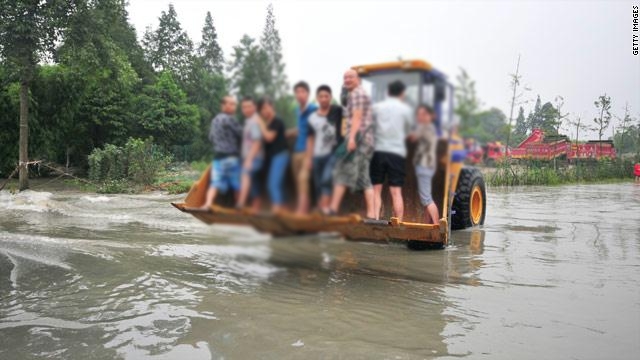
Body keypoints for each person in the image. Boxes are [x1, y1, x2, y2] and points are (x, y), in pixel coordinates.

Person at [328, 69, 375, 218]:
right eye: (345, 77)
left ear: (358, 80)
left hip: (360, 140)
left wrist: (352, 138)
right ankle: (333, 210)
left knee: (353, 175)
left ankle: (371, 215)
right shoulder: (354, 94)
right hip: (361, 140)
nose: (347, 80)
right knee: (353, 175)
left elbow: (357, 117)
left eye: (351, 77)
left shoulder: (357, 94)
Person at [370, 80, 413, 220]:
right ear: (402, 93)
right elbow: (410, 132)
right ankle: (398, 224)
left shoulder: (376, 107)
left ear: (388, 92)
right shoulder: (406, 110)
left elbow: (369, 127)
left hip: (379, 151)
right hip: (396, 153)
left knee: (376, 191)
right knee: (396, 191)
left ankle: (375, 220)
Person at [201, 96, 242, 209]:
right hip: (231, 157)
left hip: (218, 157)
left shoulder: (215, 121)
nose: (234, 107)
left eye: (234, 104)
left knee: (215, 183)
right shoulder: (230, 119)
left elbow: (211, 138)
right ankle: (239, 206)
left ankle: (208, 204)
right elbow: (241, 134)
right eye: (232, 104)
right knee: (236, 185)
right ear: (224, 105)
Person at [307, 85, 343, 213]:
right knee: (317, 184)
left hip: (333, 152)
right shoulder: (312, 117)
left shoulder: (337, 111)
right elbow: (310, 138)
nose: (323, 99)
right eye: (321, 96)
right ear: (317, 98)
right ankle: (321, 211)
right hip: (317, 154)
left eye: (326, 96)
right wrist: (309, 158)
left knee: (326, 180)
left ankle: (326, 209)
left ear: (331, 97)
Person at [256, 97, 290, 213]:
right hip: (273, 157)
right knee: (279, 184)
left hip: (280, 155)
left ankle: (276, 211)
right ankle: (284, 211)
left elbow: (269, 138)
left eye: (266, 107)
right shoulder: (269, 123)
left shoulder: (277, 121)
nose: (263, 111)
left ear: (272, 107)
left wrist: (260, 123)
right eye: (261, 109)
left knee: (273, 184)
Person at [290, 81, 318, 215]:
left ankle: (301, 211)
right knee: (298, 182)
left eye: (303, 92)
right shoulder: (297, 110)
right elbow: (301, 128)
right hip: (296, 151)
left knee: (303, 179)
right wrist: (289, 132)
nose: (300, 95)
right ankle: (304, 209)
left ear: (308, 93)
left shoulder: (313, 109)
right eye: (297, 92)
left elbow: (315, 133)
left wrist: (310, 156)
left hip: (308, 151)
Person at [411, 104, 439, 224]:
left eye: (423, 114)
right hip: (427, 165)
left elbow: (412, 138)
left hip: (424, 166)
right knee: (426, 197)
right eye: (419, 114)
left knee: (426, 199)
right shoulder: (431, 128)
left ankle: (437, 226)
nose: (420, 117)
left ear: (430, 116)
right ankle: (428, 223)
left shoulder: (424, 127)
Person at [236, 96, 263, 211]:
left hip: (255, 158)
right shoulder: (249, 121)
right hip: (248, 157)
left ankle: (240, 204)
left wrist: (249, 160)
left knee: (245, 175)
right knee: (255, 184)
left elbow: (257, 142)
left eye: (249, 106)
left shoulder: (255, 121)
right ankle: (255, 209)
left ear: (255, 107)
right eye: (244, 107)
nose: (246, 109)